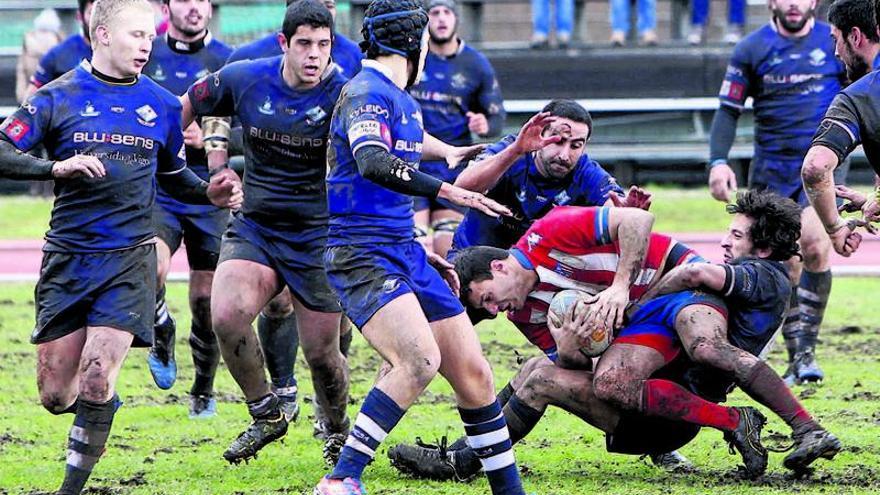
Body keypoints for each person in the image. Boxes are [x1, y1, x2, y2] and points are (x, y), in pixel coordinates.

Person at [0, 1, 241, 493]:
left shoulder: (163, 105)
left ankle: (71, 487)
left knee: (95, 374)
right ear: (102, 34)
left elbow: (176, 178)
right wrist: (54, 168)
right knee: (54, 393)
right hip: (68, 259)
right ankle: (102, 405)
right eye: (135, 36)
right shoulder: (57, 96)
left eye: (149, 36)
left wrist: (209, 191)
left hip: (129, 260)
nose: (146, 44)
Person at [315, 1, 528, 493]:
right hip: (361, 253)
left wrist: (449, 153)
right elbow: (371, 160)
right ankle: (340, 480)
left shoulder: (398, 97)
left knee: (474, 373)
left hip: (404, 250)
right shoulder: (366, 92)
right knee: (418, 360)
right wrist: (447, 188)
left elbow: (408, 140)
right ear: (415, 44)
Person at [388, 204, 705, 479]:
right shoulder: (523, 315)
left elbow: (637, 219)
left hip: (683, 379)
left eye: (488, 298)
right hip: (640, 399)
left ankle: (464, 462)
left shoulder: (549, 232)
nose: (494, 311)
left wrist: (621, 287)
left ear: (498, 267)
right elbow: (580, 371)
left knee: (540, 381)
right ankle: (462, 450)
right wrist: (568, 350)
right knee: (535, 369)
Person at [181, 0, 352, 465]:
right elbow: (194, 106)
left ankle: (336, 430)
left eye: (323, 45)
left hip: (318, 233)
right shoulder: (246, 74)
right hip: (256, 224)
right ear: (284, 44)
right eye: (304, 45)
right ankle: (266, 413)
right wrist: (206, 168)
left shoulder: (347, 89)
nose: (314, 55)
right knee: (226, 314)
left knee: (323, 354)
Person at [591, 190, 839, 477]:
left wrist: (637, 310)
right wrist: (629, 226)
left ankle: (807, 428)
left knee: (705, 347)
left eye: (736, 235)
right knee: (545, 376)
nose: (724, 241)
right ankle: (804, 428)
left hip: (675, 413)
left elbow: (693, 273)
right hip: (667, 403)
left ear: (763, 248)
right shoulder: (761, 273)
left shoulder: (763, 275)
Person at [706, 0, 846, 385]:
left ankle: (805, 353)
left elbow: (863, 96)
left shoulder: (835, 42)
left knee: (814, 244)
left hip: (822, 167)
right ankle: (791, 354)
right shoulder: (751, 49)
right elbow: (728, 109)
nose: (793, 3)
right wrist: (718, 160)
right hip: (771, 170)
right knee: (785, 261)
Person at [140, 0, 234, 417]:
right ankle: (161, 326)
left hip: (209, 193)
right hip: (161, 187)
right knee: (150, 268)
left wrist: (212, 142)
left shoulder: (229, 60)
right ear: (166, 6)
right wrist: (171, 131)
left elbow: (252, 129)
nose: (195, 7)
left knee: (205, 300)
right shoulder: (148, 53)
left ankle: (203, 390)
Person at [409, 0, 505, 257]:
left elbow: (497, 118)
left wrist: (484, 125)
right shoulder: (412, 56)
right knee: (417, 246)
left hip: (452, 170)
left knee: (447, 250)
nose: (441, 19)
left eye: (447, 13)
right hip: (410, 163)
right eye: (434, 13)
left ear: (456, 19)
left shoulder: (476, 64)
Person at [801, 0, 880, 257]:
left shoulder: (858, 97)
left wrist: (834, 228)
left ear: (855, 36)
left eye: (836, 38)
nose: (836, 52)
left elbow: (815, 168)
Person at [225, 0, 363, 78]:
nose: (322, 12)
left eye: (329, 6)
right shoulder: (247, 58)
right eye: (313, 4)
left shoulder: (357, 57)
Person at [26, 1, 94, 99]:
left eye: (102, 13)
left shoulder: (119, 53)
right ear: (79, 16)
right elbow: (30, 101)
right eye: (91, 13)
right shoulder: (58, 54)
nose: (97, 20)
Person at [16, 9, 63, 103]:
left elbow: (21, 71)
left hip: (30, 95)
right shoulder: (60, 43)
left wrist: (21, 97)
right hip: (54, 99)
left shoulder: (28, 40)